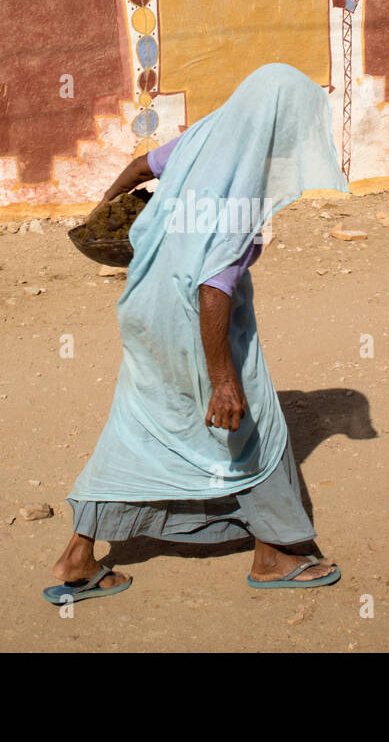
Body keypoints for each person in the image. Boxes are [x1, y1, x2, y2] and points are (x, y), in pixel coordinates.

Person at [44, 62, 349, 605]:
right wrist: (222, 378)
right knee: (249, 424)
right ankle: (275, 554)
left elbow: (141, 165)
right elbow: (214, 284)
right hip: (194, 316)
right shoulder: (243, 180)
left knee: (141, 421)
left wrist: (102, 212)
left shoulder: (208, 132)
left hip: (145, 304)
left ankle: (78, 557)